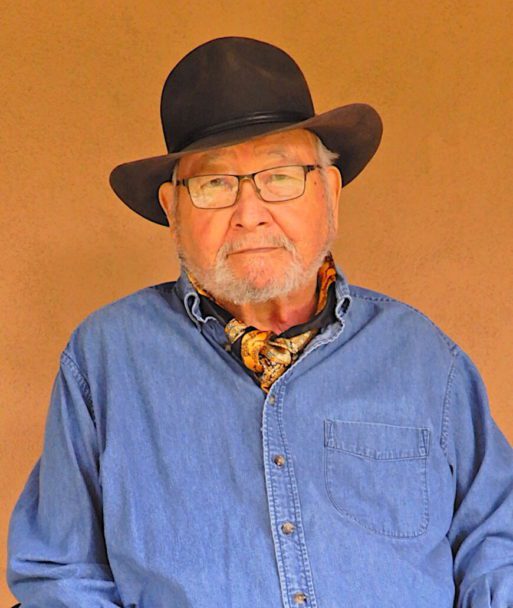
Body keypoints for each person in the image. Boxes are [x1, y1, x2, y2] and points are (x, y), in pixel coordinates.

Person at [7, 36, 513, 608]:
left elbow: (498, 548)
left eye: (280, 177)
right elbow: (60, 577)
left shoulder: (423, 359)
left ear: (329, 193)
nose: (249, 214)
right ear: (174, 211)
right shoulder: (104, 360)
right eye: (215, 184)